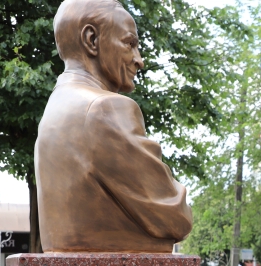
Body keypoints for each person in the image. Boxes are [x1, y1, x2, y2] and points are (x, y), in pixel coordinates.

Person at [37, 0, 192, 253]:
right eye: (130, 44)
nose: (139, 60)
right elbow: (176, 217)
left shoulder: (55, 108)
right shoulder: (104, 108)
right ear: (91, 40)